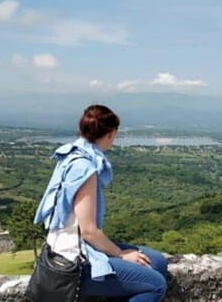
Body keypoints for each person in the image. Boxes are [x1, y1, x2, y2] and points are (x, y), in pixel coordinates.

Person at [33, 104, 169, 301]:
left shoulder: (71, 154)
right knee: (155, 285)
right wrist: (121, 254)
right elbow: (88, 231)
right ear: (110, 134)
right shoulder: (85, 167)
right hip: (75, 260)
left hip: (73, 246)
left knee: (156, 261)